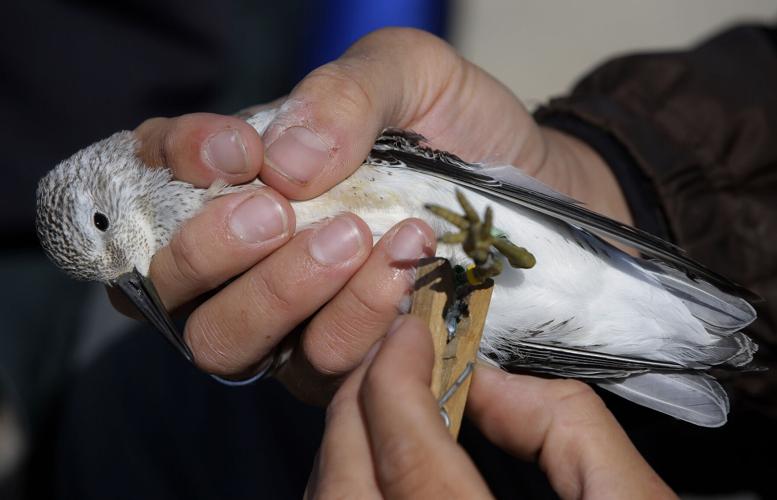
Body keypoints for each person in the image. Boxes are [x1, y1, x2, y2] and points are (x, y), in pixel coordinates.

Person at [52, 24, 777, 499]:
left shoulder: (250, 139)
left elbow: (456, 175)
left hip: (513, 237)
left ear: (108, 189)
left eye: (107, 234)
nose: (132, 271)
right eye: (117, 275)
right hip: (507, 303)